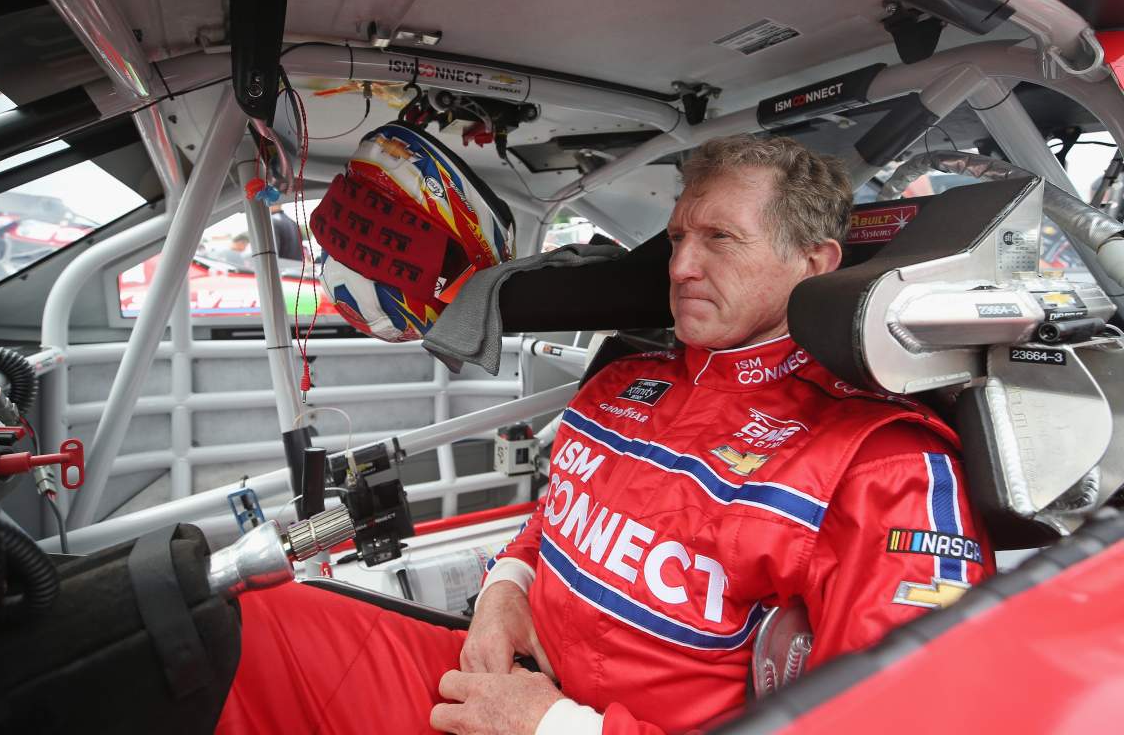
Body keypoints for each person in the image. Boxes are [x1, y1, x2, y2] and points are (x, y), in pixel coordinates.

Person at [215, 135, 993, 735]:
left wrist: (554, 726)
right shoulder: (622, 381)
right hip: (510, 690)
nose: (680, 267)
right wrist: (505, 592)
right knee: (241, 627)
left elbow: (899, 718)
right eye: (677, 237)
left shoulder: (883, 461)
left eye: (720, 239)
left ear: (813, 262)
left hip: (565, 723)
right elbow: (554, 523)